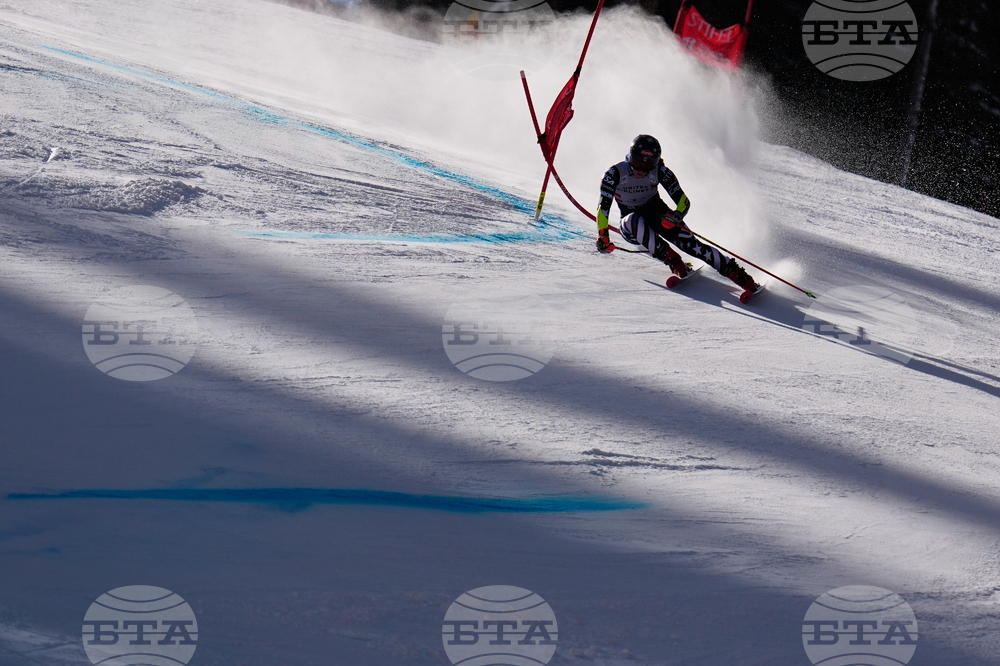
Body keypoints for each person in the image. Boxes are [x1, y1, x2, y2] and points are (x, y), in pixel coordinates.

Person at [595, 134, 758, 292]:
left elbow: (683, 201)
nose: (641, 169)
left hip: (659, 215)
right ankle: (673, 260)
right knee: (632, 220)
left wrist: (677, 215)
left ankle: (739, 275)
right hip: (631, 227)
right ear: (630, 157)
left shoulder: (660, 171)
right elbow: (603, 207)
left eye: (648, 166)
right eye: (637, 163)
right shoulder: (614, 174)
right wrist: (603, 235)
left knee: (692, 246)